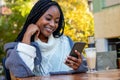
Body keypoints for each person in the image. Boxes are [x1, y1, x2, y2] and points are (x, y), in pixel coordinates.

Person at [4, 0, 88, 78]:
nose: (52, 24)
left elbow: (83, 70)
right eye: (48, 18)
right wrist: (27, 35)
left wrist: (78, 67)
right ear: (36, 16)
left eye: (56, 21)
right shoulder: (18, 48)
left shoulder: (66, 43)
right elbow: (20, 73)